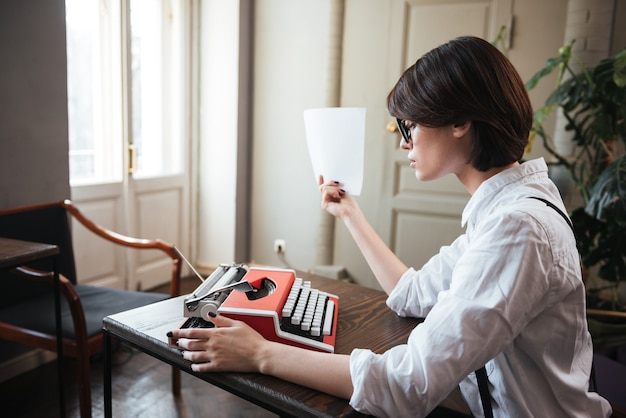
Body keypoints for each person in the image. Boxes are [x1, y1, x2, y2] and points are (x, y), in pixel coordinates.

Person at [170, 36, 612, 417]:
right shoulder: (510, 209)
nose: (404, 141)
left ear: (460, 121)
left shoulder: (518, 228)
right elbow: (413, 293)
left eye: (410, 123)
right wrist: (350, 214)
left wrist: (261, 354)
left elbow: (409, 385)